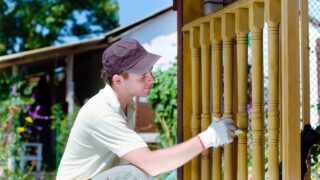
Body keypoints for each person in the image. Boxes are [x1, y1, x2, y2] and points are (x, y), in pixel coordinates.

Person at [56, 39, 236, 180]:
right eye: (143, 75)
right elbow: (150, 164)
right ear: (118, 80)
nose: (152, 79)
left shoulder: (128, 106)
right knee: (134, 175)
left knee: (136, 172)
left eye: (150, 71)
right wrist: (208, 138)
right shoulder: (101, 112)